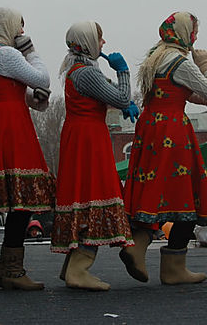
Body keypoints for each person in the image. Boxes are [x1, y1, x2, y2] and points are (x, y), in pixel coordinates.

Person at [121, 12, 207, 285]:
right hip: (173, 131)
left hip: (150, 128)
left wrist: (201, 100)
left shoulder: (156, 56)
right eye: (194, 32)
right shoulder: (180, 61)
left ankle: (136, 249)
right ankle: (174, 267)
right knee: (186, 195)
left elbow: (177, 90)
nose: (195, 37)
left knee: (153, 193)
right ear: (184, 32)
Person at [0, 7, 55, 291]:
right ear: (7, 27)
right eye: (19, 27)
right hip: (12, 127)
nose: (22, 33)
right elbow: (42, 78)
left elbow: (23, 93)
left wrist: (36, 100)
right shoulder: (6, 54)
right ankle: (12, 270)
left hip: (0, 119)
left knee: (18, 199)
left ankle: (7, 267)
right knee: (22, 199)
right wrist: (31, 51)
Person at [52, 21, 139, 291]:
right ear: (88, 43)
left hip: (80, 136)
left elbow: (106, 93)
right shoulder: (85, 73)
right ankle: (79, 269)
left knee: (82, 195)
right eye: (99, 39)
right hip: (89, 139)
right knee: (94, 195)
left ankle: (72, 266)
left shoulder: (78, 69)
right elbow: (122, 98)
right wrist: (123, 72)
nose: (103, 43)